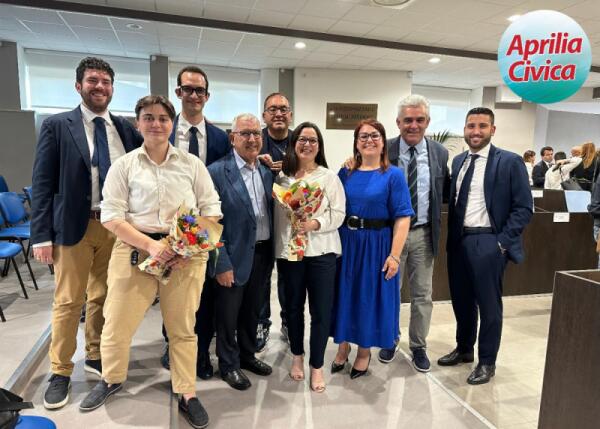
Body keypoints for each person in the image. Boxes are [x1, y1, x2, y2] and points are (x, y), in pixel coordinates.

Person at [79, 95, 221, 429]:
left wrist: (183, 246)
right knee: (116, 323)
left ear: (172, 124)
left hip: (185, 254)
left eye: (163, 118)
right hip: (133, 248)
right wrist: (151, 246)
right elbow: (111, 215)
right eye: (148, 117)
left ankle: (186, 391)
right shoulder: (124, 165)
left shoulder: (191, 165)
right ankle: (111, 378)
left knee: (182, 328)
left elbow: (211, 209)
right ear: (138, 123)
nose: (156, 124)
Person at [30, 56, 142, 410]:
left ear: (113, 89)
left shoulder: (124, 129)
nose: (99, 87)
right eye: (93, 80)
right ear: (78, 85)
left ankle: (95, 354)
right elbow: (42, 182)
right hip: (72, 227)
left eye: (106, 82)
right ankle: (60, 371)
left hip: (114, 226)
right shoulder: (57, 125)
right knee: (68, 302)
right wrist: (41, 235)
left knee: (104, 296)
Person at [439, 107, 532, 385]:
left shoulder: (510, 162)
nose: (476, 131)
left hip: (489, 240)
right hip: (459, 240)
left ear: (493, 129)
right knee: (462, 300)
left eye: (482, 126)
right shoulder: (458, 161)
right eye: (471, 126)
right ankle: (464, 348)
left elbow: (524, 208)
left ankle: (487, 362)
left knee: (489, 306)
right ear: (464, 130)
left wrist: (501, 243)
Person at [160, 65, 230, 381]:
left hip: (207, 222)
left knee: (204, 290)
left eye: (199, 90)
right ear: (178, 92)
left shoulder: (220, 138)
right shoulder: (164, 130)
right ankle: (171, 343)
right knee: (172, 287)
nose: (193, 95)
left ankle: (201, 348)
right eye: (187, 89)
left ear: (207, 95)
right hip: (171, 223)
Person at [331, 119, 413, 379]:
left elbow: (403, 217)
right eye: (363, 136)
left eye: (375, 135)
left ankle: (364, 351)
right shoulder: (345, 173)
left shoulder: (393, 175)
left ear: (383, 142)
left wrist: (394, 256)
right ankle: (343, 345)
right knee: (345, 294)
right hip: (346, 242)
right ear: (356, 143)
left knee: (367, 298)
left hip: (376, 245)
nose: (369, 140)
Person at [377, 95, 449, 372]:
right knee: (390, 291)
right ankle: (389, 338)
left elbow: (443, 193)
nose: (413, 125)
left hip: (423, 234)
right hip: (391, 235)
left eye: (419, 120)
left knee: (422, 295)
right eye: (408, 120)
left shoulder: (439, 153)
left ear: (427, 122)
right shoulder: (384, 149)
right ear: (398, 122)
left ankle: (418, 345)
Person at [274, 122, 345, 392]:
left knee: (320, 311)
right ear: (293, 144)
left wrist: (315, 224)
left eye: (313, 140)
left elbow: (339, 214)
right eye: (302, 139)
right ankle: (297, 356)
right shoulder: (282, 178)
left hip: (321, 253)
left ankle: (316, 366)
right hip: (290, 254)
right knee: (292, 308)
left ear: (319, 146)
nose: (307, 144)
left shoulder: (329, 178)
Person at [206, 113, 274, 391]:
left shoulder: (266, 171)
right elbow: (208, 224)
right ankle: (228, 364)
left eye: (256, 133)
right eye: (245, 133)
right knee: (227, 316)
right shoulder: (216, 172)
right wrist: (220, 263)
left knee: (252, 311)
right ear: (232, 138)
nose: (252, 139)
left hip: (263, 254)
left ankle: (247, 355)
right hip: (232, 257)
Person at [255, 92, 294, 351]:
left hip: (291, 225)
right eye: (272, 109)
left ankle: (289, 322)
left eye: (283, 109)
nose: (278, 113)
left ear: (290, 114)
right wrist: (256, 161)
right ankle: (261, 323)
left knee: (289, 279)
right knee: (261, 279)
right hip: (262, 223)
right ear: (264, 115)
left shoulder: (301, 142)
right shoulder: (254, 141)